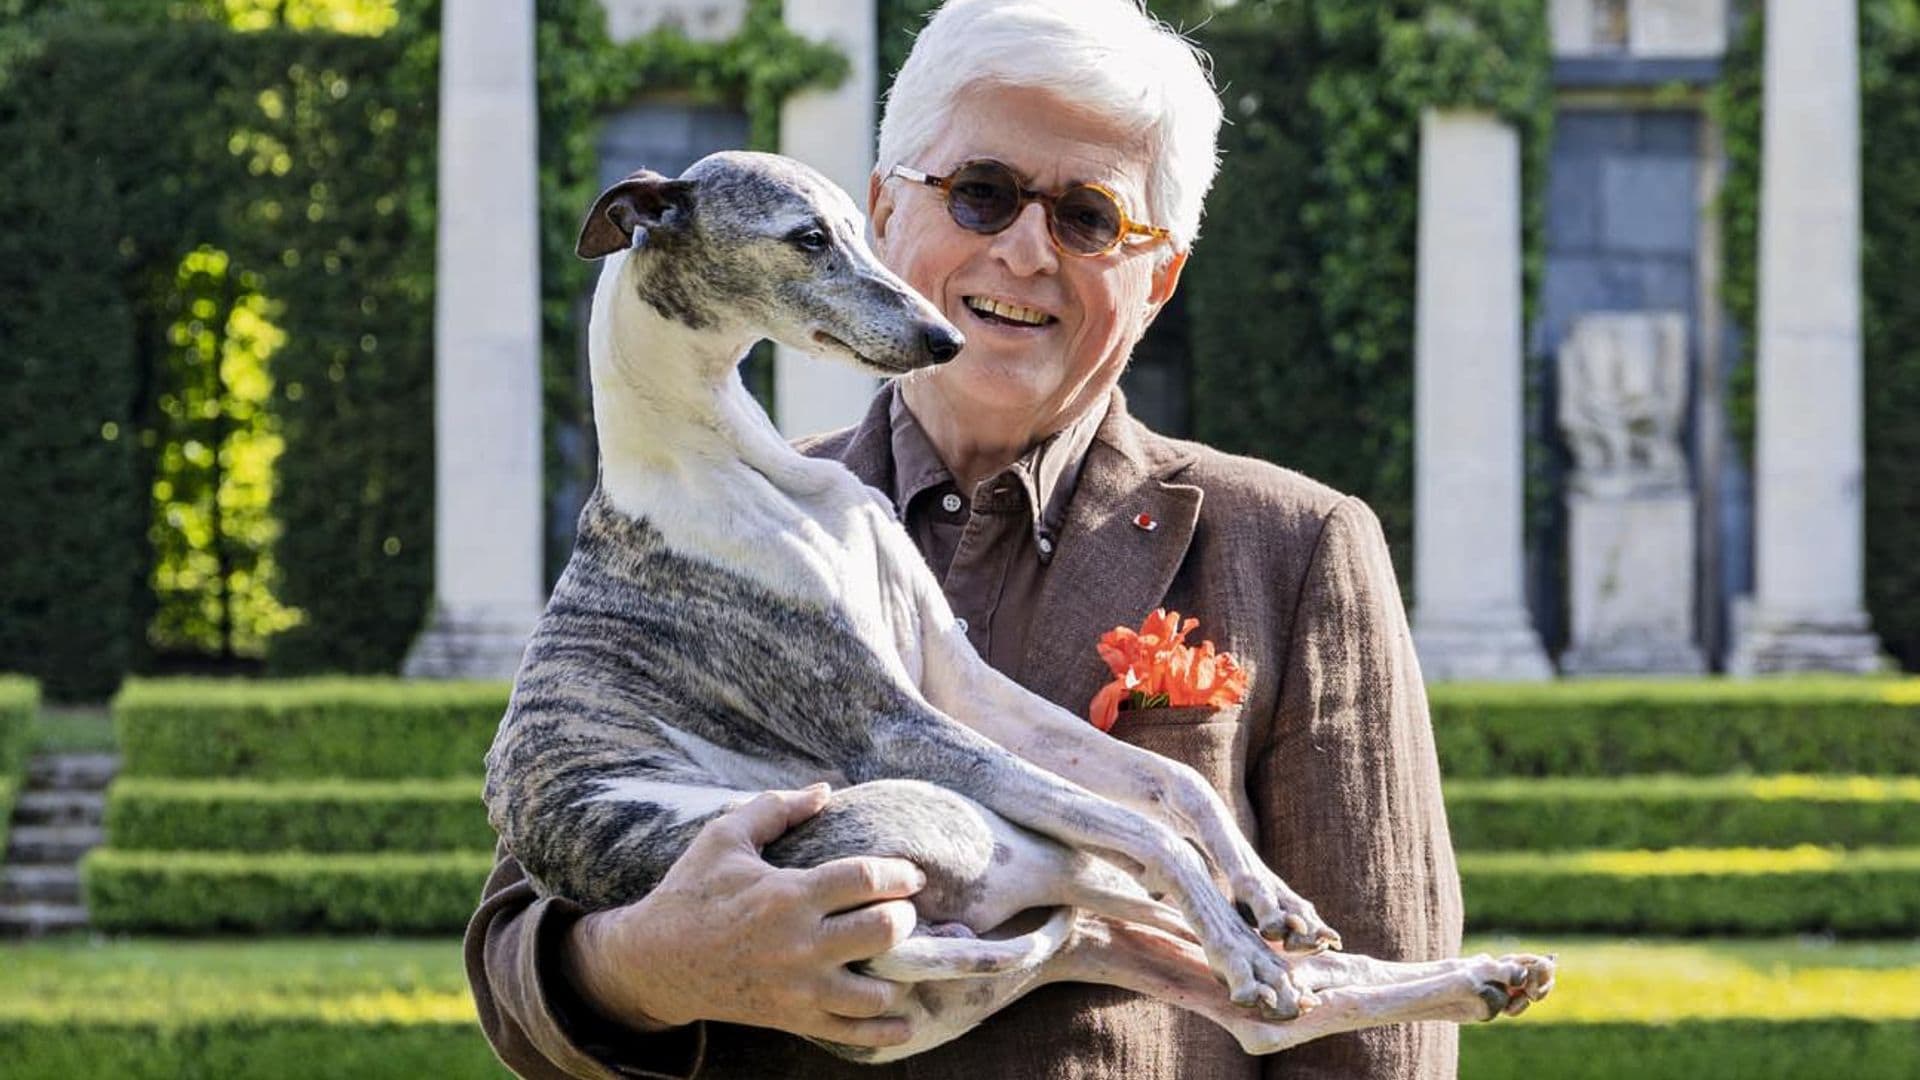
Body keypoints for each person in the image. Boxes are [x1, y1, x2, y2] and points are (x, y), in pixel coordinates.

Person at [464, 1, 1463, 1076]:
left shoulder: (1299, 548)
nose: (1025, 251)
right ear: (884, 214)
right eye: (981, 193)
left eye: (1088, 217)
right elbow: (521, 967)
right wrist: (651, 964)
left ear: (1159, 275)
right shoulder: (691, 516)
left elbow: (1382, 1037)